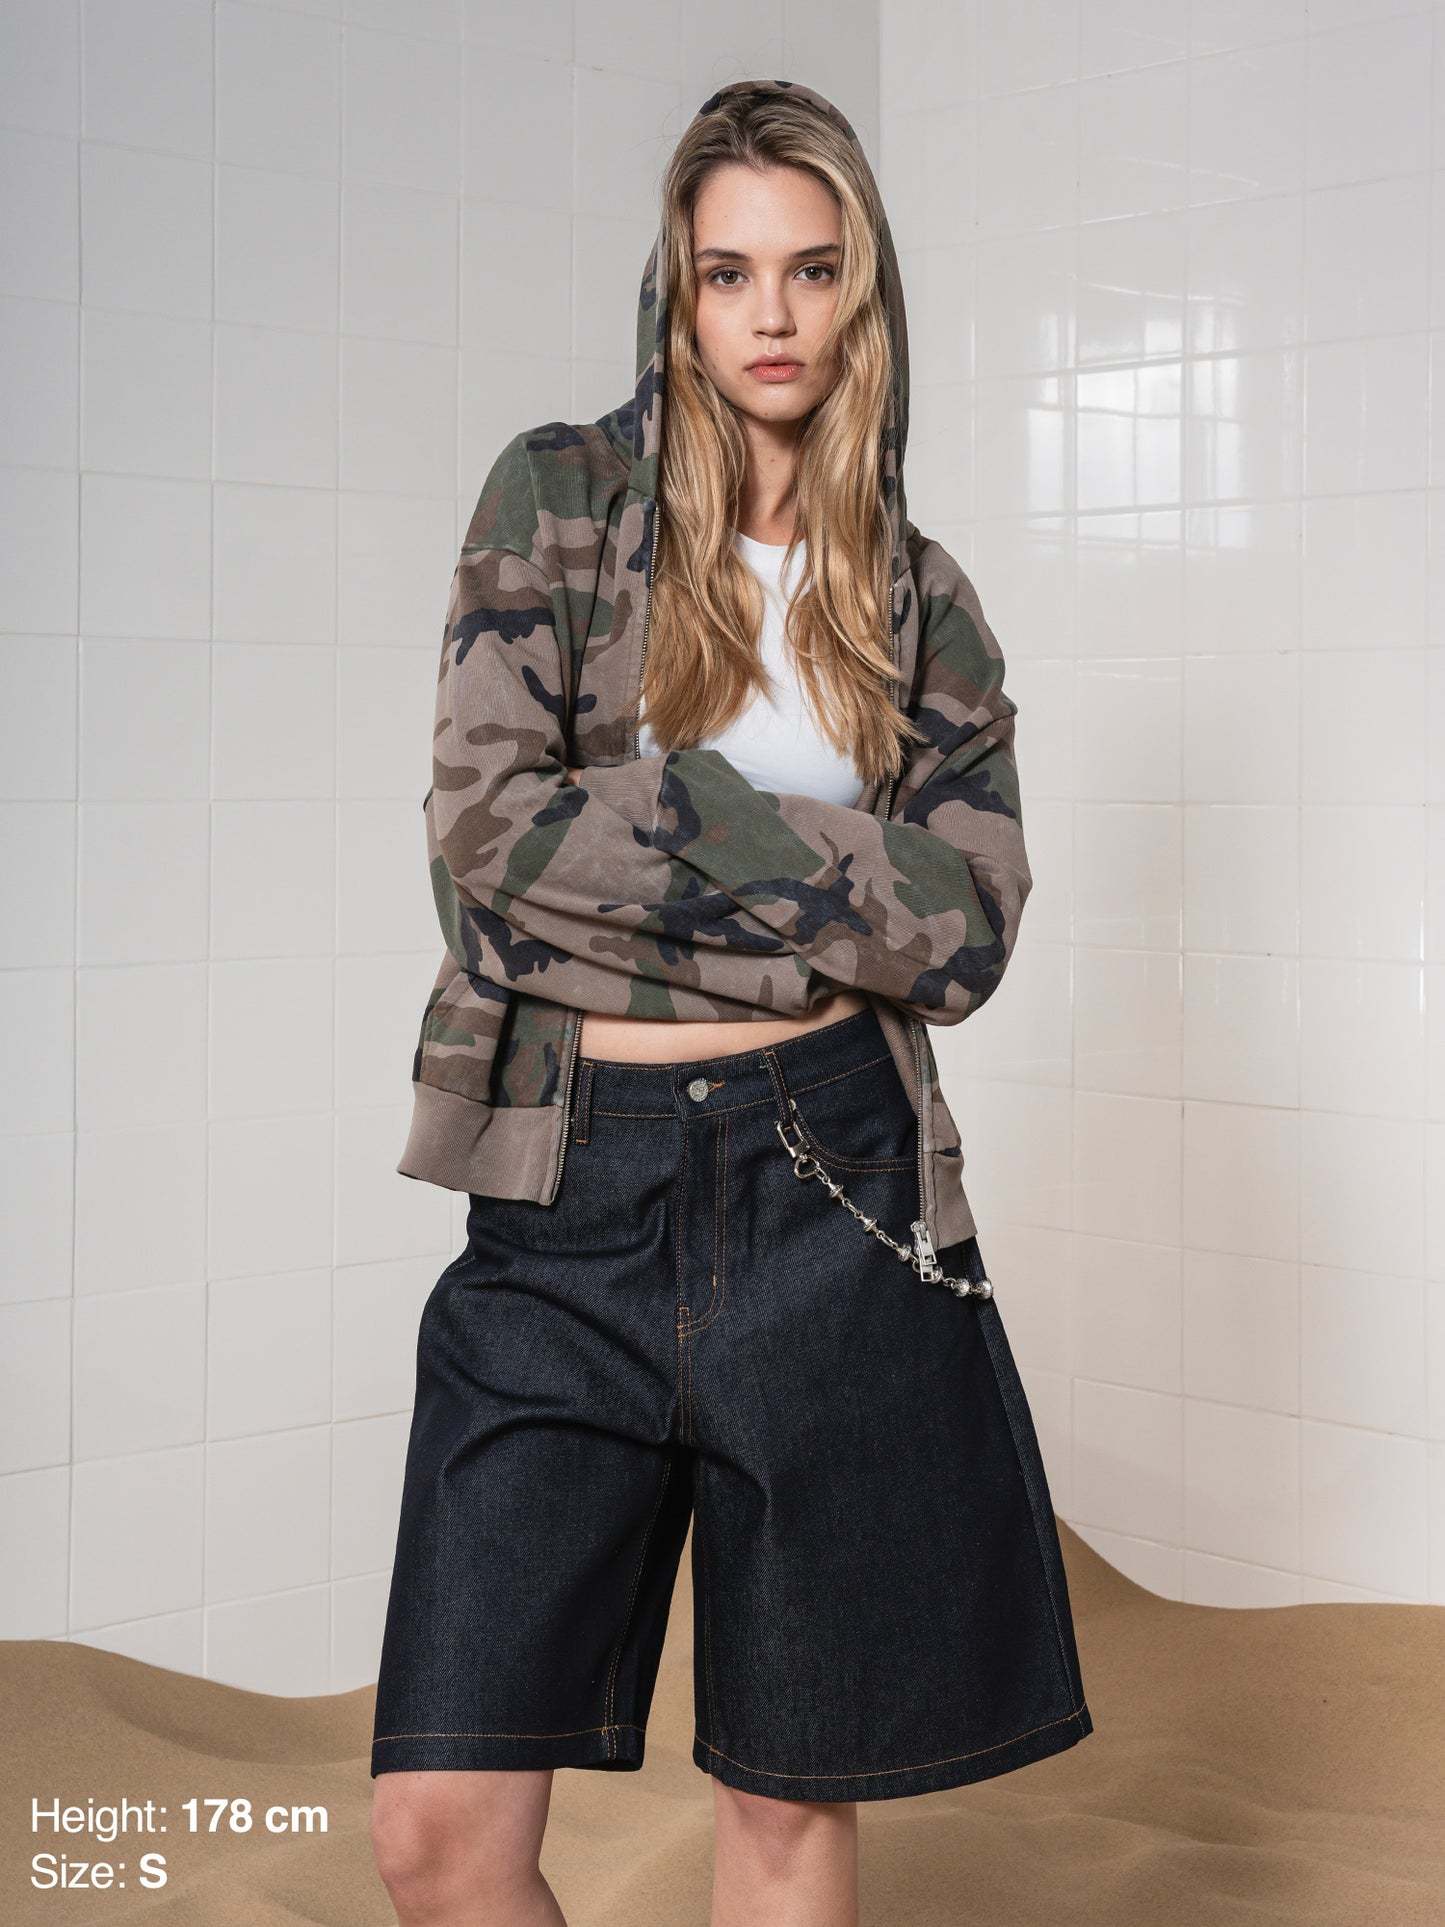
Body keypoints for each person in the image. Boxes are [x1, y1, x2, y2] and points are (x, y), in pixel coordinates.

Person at [369, 77, 1093, 1927]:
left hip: (834, 1190)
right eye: (726, 272)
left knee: (781, 1809)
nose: (770, 314)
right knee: (438, 1838)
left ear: (864, 295)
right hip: (568, 1194)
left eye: (812, 270)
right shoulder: (558, 497)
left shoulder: (917, 599)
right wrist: (830, 886)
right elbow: (487, 854)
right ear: (675, 290)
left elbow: (966, 937)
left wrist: (673, 812)